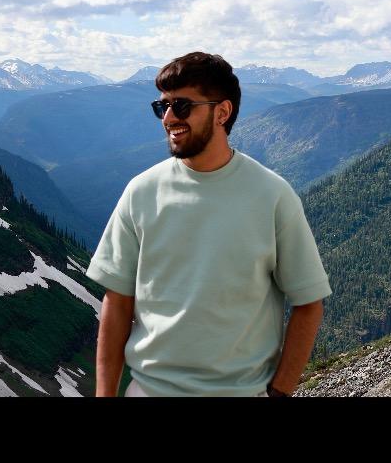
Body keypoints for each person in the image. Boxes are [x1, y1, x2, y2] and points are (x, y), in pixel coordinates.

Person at [86, 51, 332, 397]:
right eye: (162, 106)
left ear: (222, 112)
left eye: (182, 106)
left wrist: (279, 392)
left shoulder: (273, 196)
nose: (169, 117)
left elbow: (309, 304)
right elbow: (117, 301)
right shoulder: (140, 192)